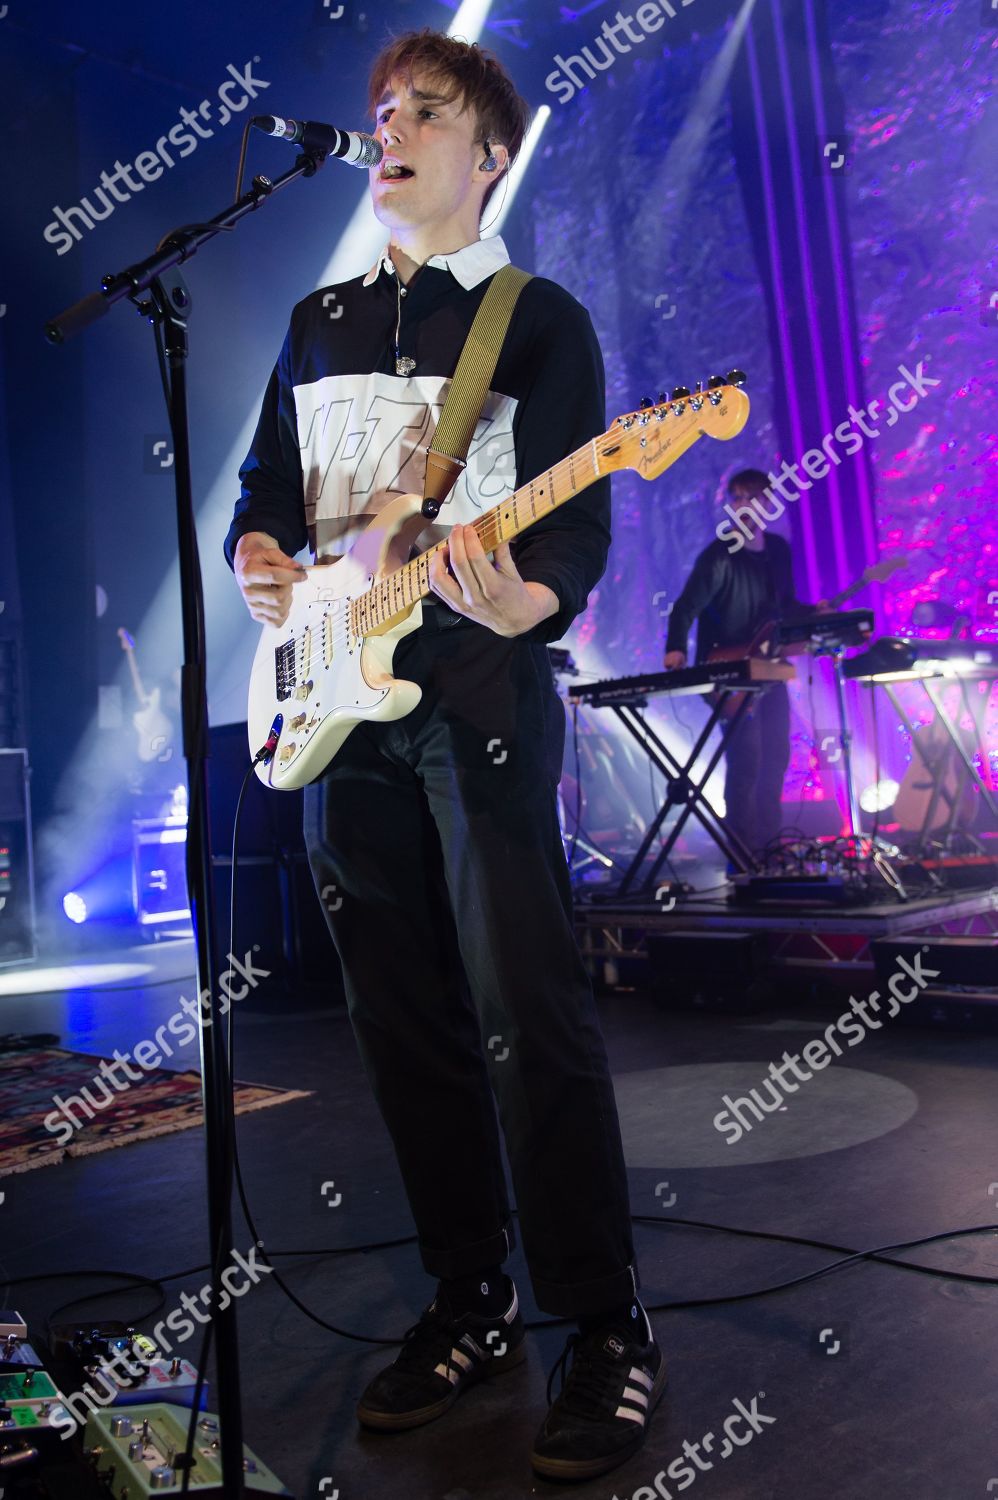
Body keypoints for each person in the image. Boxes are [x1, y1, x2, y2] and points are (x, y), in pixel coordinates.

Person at [224, 27, 665, 1484]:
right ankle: (467, 1297)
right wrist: (259, 557)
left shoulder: (537, 321)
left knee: (525, 1011)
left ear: (488, 154)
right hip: (334, 711)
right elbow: (266, 496)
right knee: (401, 1026)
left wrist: (532, 592)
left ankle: (606, 1326)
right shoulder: (313, 319)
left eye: (426, 108)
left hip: (475, 697)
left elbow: (575, 524)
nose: (390, 124)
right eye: (381, 107)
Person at [664, 468, 822, 861]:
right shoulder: (719, 555)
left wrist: (815, 614)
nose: (743, 506)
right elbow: (686, 606)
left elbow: (784, 606)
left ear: (768, 503)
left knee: (776, 756)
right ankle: (741, 853)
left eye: (751, 497)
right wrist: (676, 648)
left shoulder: (778, 552)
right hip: (727, 669)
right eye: (735, 499)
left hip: (768, 667)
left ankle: (768, 850)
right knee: (746, 757)